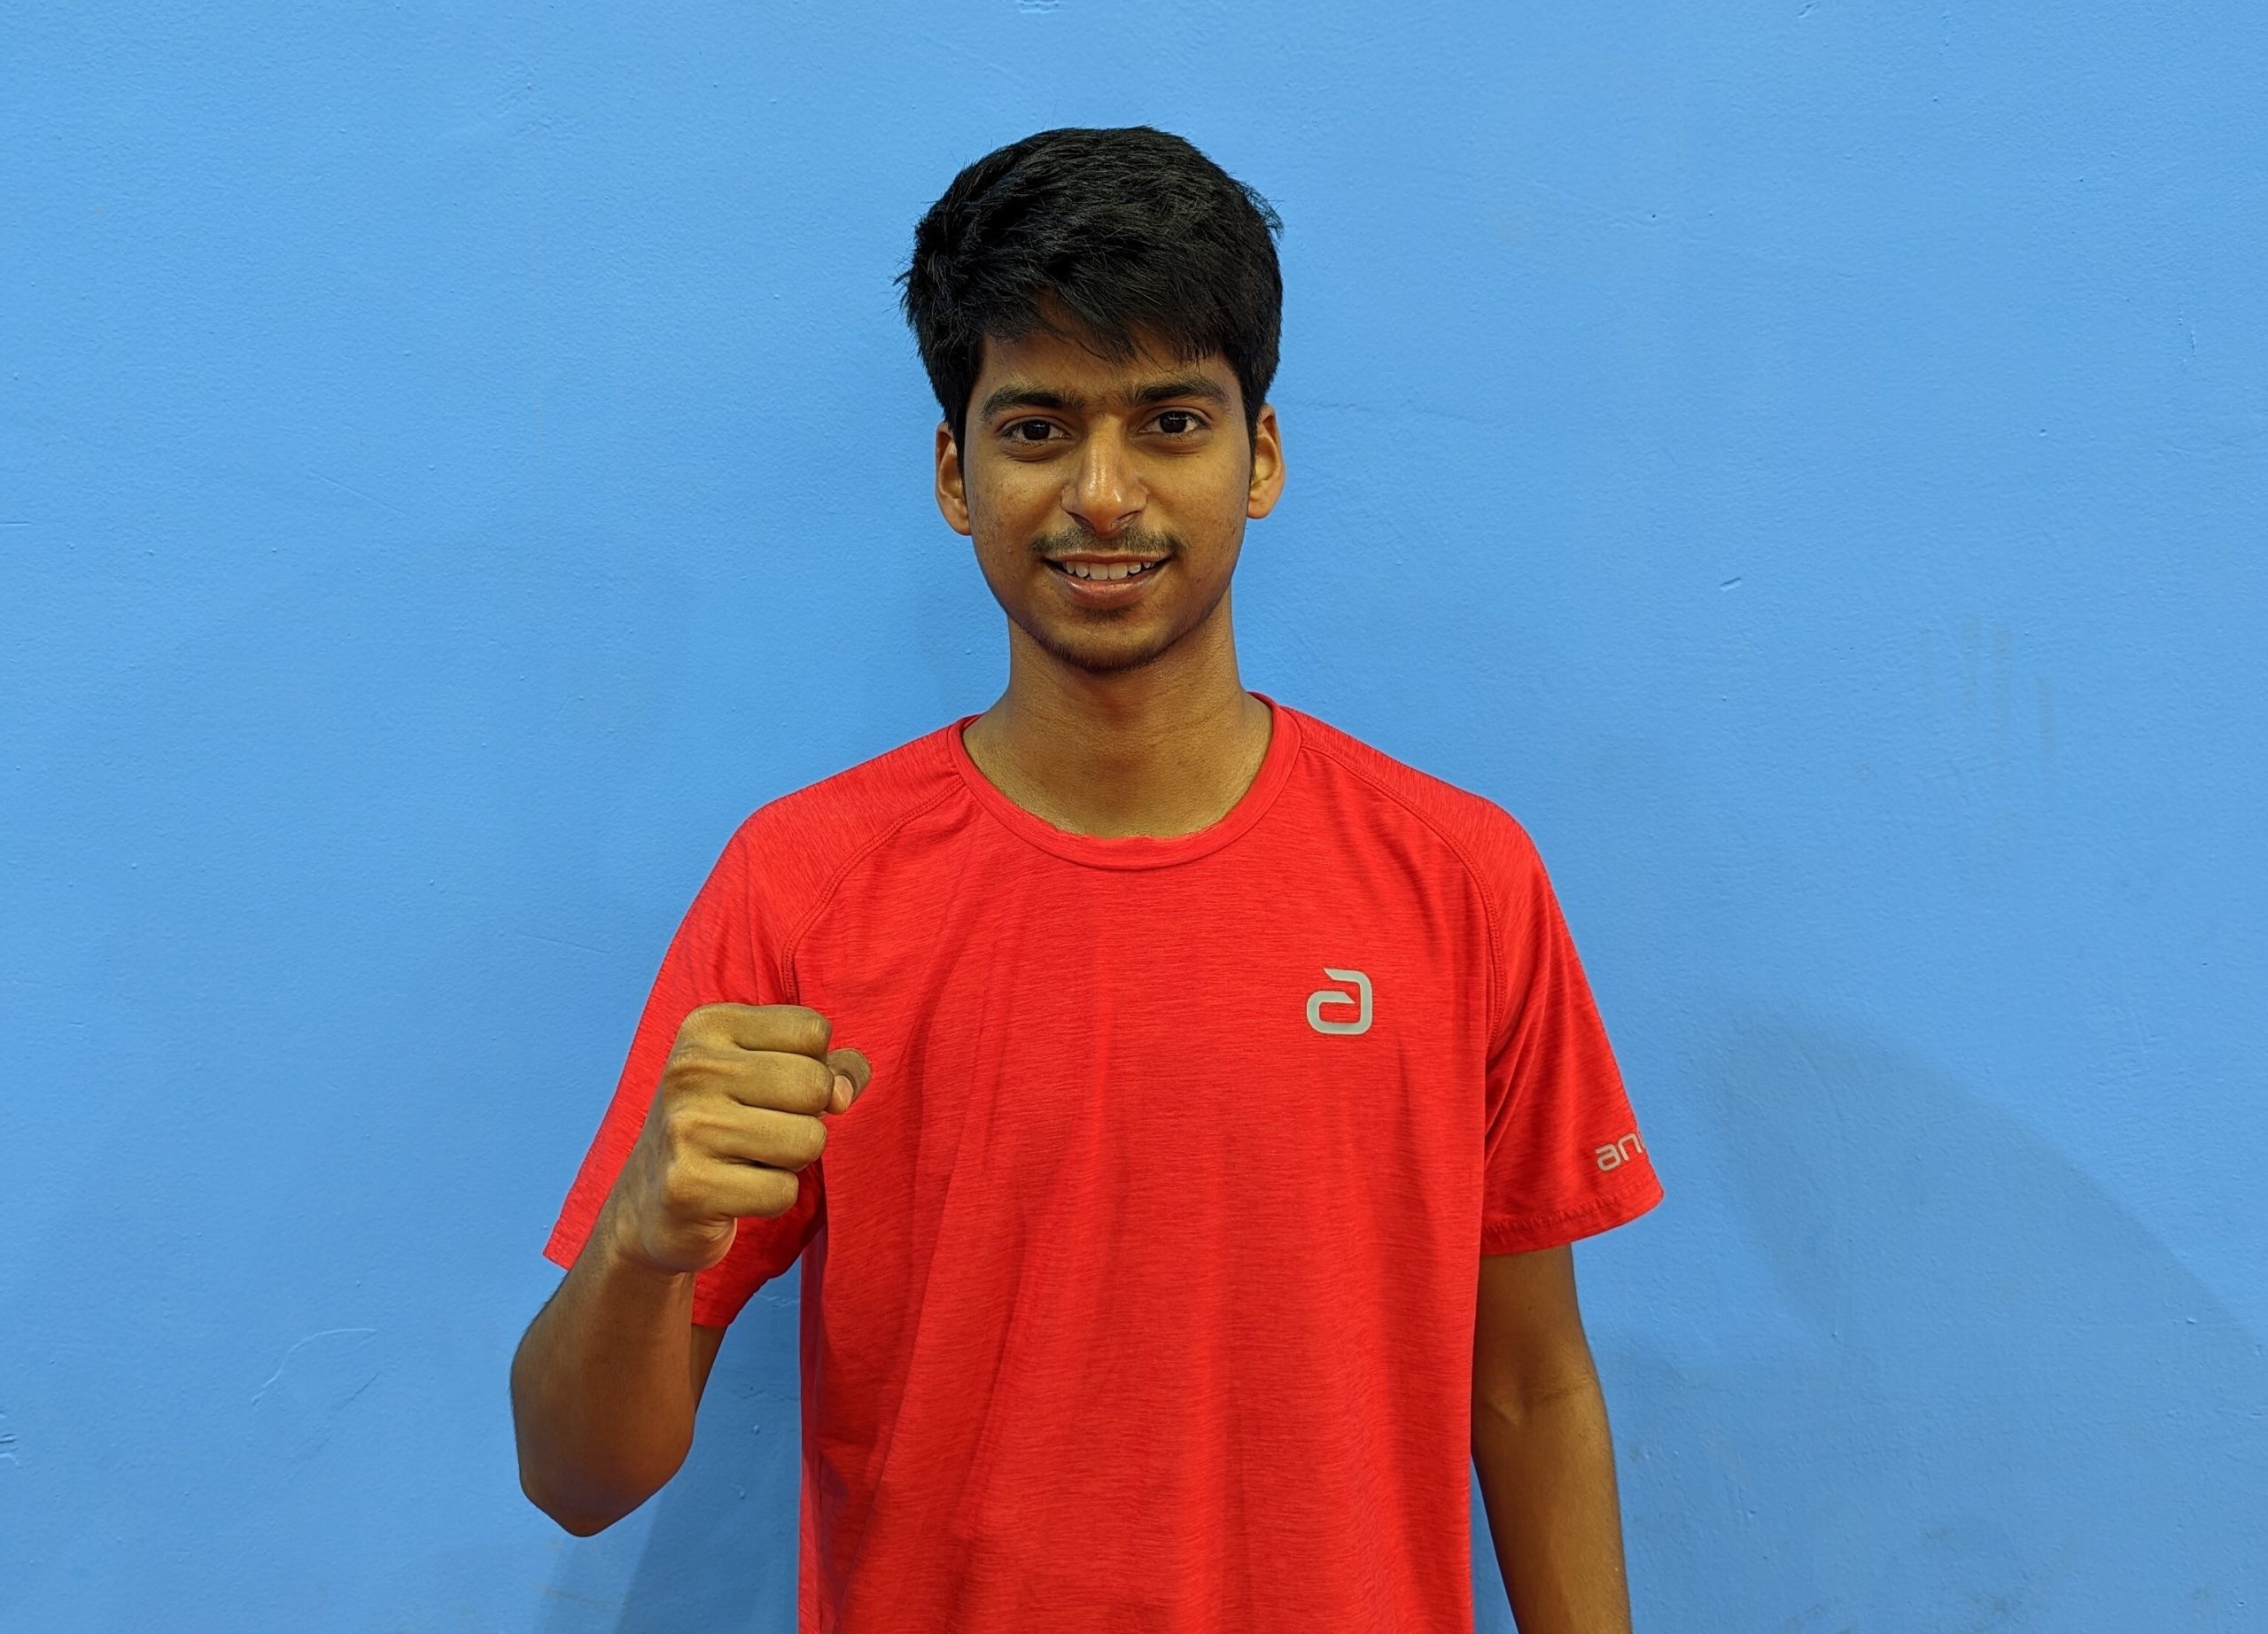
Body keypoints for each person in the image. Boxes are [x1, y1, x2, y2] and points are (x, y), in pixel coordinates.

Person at [509, 124, 1664, 1634]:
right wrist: (638, 1248)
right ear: (956, 471)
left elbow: (1527, 1388)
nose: (1103, 494)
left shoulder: (1458, 878)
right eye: (1039, 428)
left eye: (1170, 422)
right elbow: (575, 1478)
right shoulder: (805, 886)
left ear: (1260, 457)